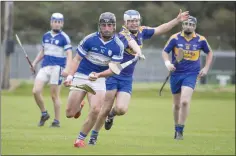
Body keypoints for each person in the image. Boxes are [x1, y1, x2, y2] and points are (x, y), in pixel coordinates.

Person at [87, 9, 190, 145]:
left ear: (139, 21)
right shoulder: (122, 34)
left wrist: (176, 20)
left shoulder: (142, 31)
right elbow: (131, 42)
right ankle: (94, 136)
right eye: (130, 21)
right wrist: (139, 51)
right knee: (105, 108)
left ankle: (111, 116)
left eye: (135, 21)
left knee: (121, 109)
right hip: (113, 74)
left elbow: (160, 29)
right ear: (125, 22)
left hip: (127, 78)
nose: (133, 24)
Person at [63, 12, 124, 148]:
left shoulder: (118, 46)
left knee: (96, 109)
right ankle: (79, 107)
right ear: (99, 26)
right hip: (82, 75)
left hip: (99, 78)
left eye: (110, 25)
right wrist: (69, 77)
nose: (107, 28)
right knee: (69, 113)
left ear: (114, 27)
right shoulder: (89, 39)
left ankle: (80, 139)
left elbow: (113, 70)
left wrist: (99, 75)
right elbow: (77, 59)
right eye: (104, 25)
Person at [162, 16, 213, 140]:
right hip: (176, 74)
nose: (188, 26)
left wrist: (205, 68)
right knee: (177, 105)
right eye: (186, 23)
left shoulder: (201, 40)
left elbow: (210, 52)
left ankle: (180, 130)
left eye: (191, 24)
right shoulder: (175, 38)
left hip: (191, 74)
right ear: (182, 25)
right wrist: (168, 63)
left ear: (195, 26)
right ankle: (176, 127)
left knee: (184, 101)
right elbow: (165, 52)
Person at [31, 13, 72, 127]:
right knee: (36, 91)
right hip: (45, 66)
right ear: (51, 22)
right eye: (55, 21)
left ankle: (56, 121)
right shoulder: (46, 36)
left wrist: (67, 69)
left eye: (59, 22)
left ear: (62, 24)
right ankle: (44, 113)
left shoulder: (64, 38)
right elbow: (43, 51)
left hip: (57, 68)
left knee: (54, 96)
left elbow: (69, 55)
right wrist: (34, 63)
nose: (57, 24)